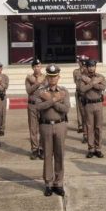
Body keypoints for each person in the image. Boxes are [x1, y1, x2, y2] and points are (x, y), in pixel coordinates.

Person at [36, 64, 70, 196]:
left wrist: (50, 101)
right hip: (45, 126)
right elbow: (38, 107)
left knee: (60, 154)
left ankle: (58, 183)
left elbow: (65, 109)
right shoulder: (41, 91)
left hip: (60, 125)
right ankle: (48, 183)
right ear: (47, 77)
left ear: (58, 77)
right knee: (47, 155)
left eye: (54, 76)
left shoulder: (64, 91)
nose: (52, 79)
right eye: (50, 77)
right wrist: (55, 99)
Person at [77, 58, 106, 158]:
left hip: (98, 104)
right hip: (88, 105)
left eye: (93, 66)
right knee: (89, 127)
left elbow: (103, 87)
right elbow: (82, 89)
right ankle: (91, 148)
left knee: (98, 127)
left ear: (95, 67)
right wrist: (94, 83)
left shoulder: (100, 76)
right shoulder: (82, 78)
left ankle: (98, 148)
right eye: (89, 66)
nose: (91, 68)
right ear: (86, 67)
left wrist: (90, 83)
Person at [25, 59, 46, 159]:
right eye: (35, 66)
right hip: (32, 106)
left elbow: (47, 89)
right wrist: (37, 83)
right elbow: (29, 91)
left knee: (43, 127)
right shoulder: (28, 78)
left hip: (42, 105)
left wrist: (36, 82)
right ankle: (34, 149)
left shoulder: (46, 77)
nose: (37, 68)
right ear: (32, 68)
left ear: (41, 67)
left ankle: (41, 148)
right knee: (33, 128)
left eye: (39, 66)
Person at [72, 56, 87, 138]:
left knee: (86, 110)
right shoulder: (76, 71)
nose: (82, 63)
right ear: (79, 62)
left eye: (84, 61)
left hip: (86, 92)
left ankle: (86, 125)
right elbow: (76, 81)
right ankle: (80, 125)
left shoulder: (88, 70)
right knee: (79, 109)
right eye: (81, 61)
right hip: (78, 91)